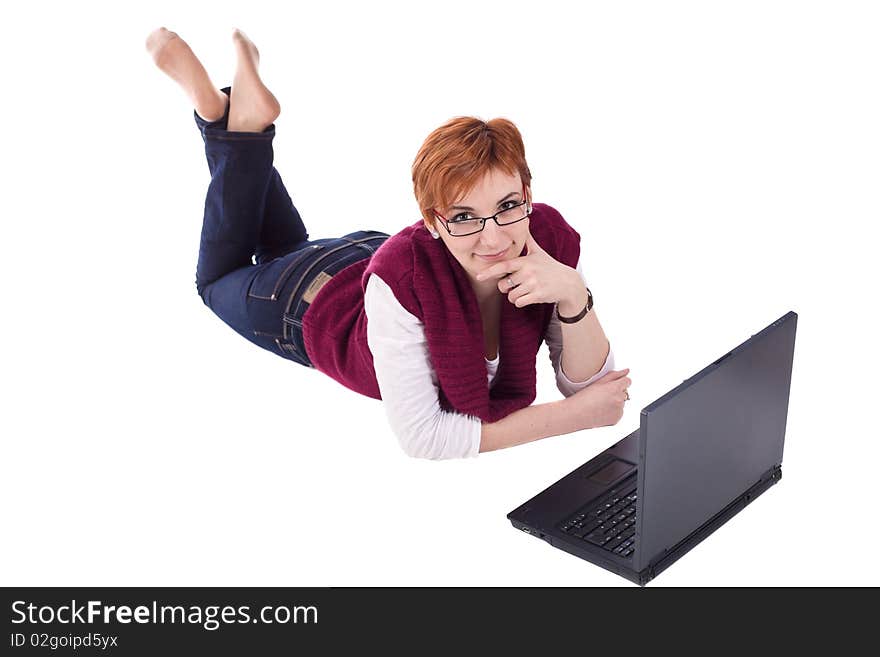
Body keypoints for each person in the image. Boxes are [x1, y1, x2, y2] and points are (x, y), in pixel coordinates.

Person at [146, 27, 632, 460]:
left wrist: (573, 294)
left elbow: (589, 384)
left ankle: (227, 119)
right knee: (215, 282)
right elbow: (425, 436)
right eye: (464, 216)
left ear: (528, 194)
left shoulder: (545, 237)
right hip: (308, 302)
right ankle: (225, 120)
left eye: (507, 205)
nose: (495, 236)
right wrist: (575, 418)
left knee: (282, 245)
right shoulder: (401, 279)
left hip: (366, 259)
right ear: (433, 222)